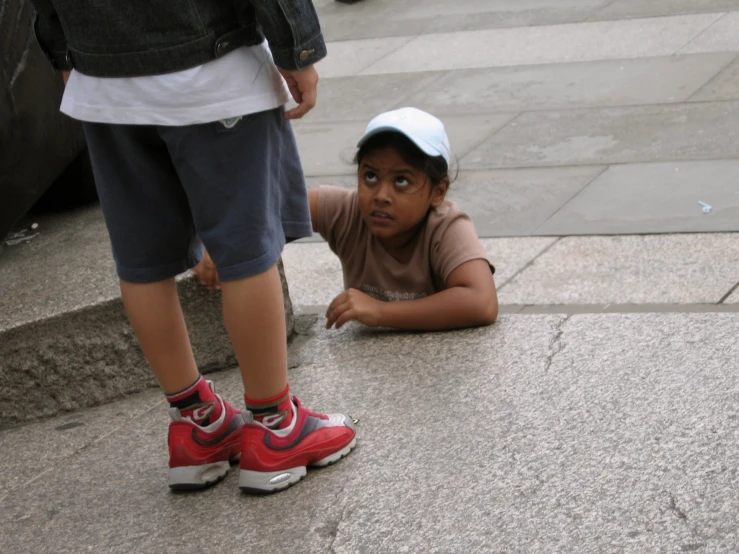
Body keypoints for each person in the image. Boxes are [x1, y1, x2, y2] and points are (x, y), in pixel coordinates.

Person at [29, 0, 356, 494]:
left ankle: (196, 423)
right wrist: (298, 48)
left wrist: (64, 53)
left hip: (102, 80)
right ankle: (275, 427)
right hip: (213, 71)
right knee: (247, 252)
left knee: (143, 262)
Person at [195, 107, 499, 331]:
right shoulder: (347, 210)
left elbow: (481, 301)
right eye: (370, 176)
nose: (381, 194)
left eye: (402, 181)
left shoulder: (446, 226)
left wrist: (380, 312)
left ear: (438, 192)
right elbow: (271, 210)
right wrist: (226, 245)